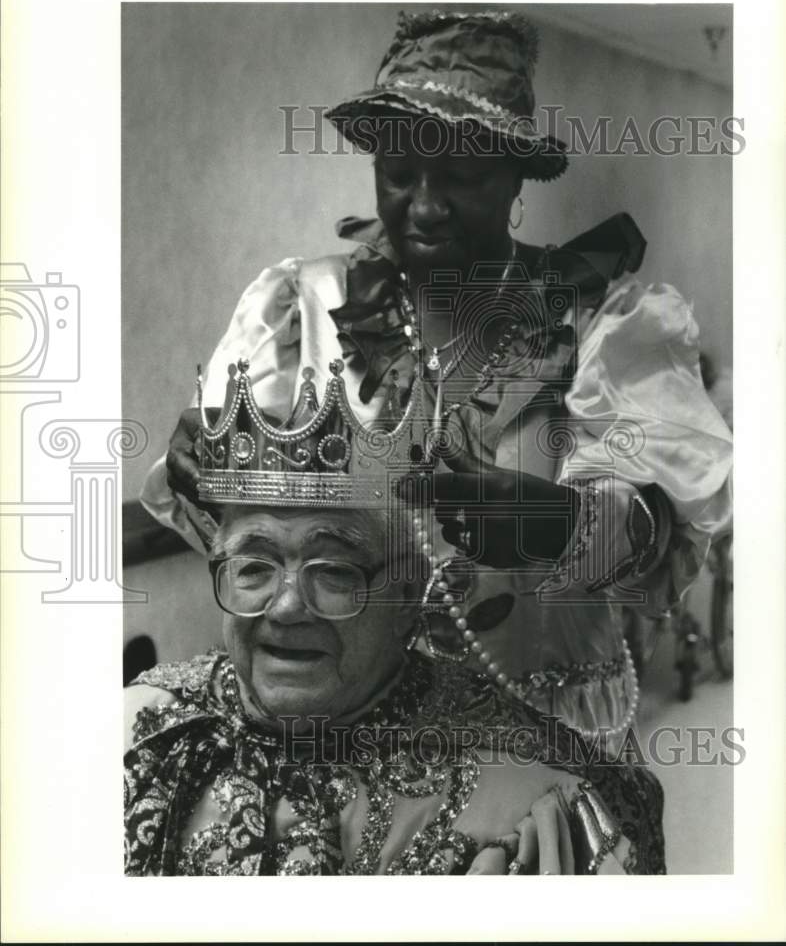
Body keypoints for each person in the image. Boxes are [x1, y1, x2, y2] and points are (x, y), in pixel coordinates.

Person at [143, 9, 733, 743]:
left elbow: (664, 559)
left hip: (549, 747)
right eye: (398, 174)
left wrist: (559, 525)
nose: (422, 206)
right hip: (358, 748)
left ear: (516, 174)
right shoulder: (303, 308)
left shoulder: (601, 323)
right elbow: (241, 538)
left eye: (460, 177)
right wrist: (200, 470)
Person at [125, 360, 666, 875]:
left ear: (408, 595)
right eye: (253, 567)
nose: (287, 607)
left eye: (334, 571)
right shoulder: (138, 728)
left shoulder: (535, 806)